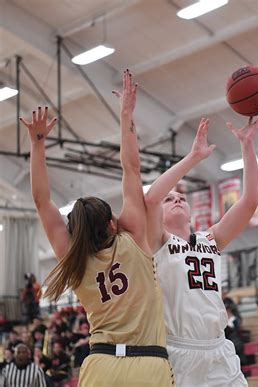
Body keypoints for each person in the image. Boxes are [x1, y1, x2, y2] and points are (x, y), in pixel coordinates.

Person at [20, 70, 173, 386]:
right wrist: (126, 115)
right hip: (148, 363)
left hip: (100, 365)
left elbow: (41, 200)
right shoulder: (132, 236)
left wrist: (37, 145)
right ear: (111, 223)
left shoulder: (74, 261)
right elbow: (131, 167)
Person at [145, 113, 258, 386]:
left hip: (219, 349)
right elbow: (150, 199)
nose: (176, 200)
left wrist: (247, 145)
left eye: (181, 198)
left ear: (190, 212)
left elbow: (249, 201)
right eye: (170, 199)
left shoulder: (211, 240)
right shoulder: (156, 241)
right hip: (178, 351)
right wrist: (193, 159)